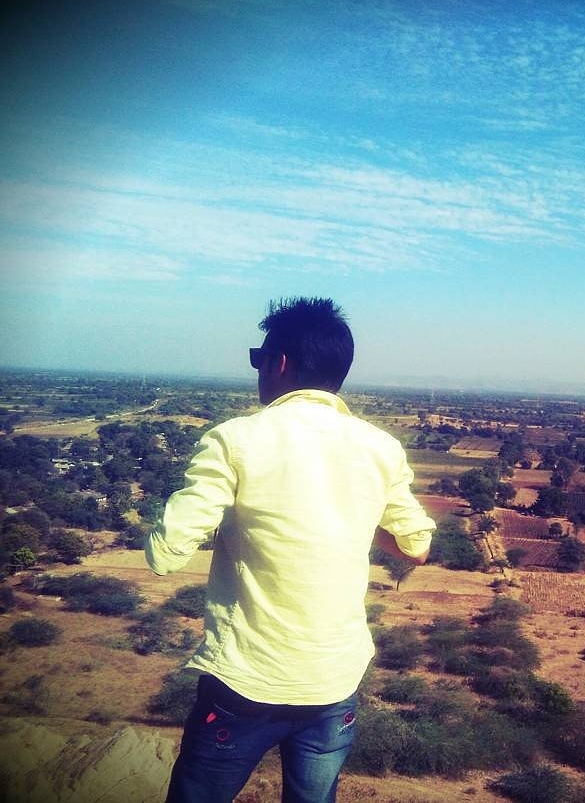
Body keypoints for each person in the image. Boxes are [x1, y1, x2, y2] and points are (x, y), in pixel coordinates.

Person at [145, 297, 435, 803]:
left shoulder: (234, 440)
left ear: (278, 363)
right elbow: (417, 547)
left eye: (259, 358)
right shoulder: (380, 447)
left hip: (244, 681)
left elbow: (165, 555)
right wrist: (354, 515)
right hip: (334, 680)